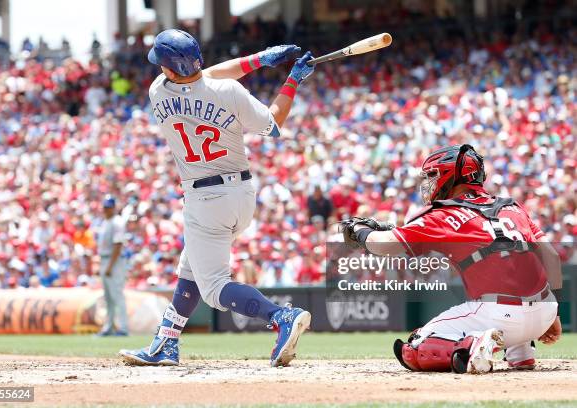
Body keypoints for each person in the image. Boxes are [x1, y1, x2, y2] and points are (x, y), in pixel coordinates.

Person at [119, 29, 314, 367]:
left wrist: (259, 60)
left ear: (168, 67)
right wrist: (292, 79)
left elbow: (197, 80)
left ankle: (281, 315)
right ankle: (165, 343)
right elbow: (274, 123)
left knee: (213, 289)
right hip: (241, 194)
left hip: (204, 197)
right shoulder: (229, 91)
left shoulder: (157, 92)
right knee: (190, 267)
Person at [341, 144, 562, 373]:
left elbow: (386, 245)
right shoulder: (512, 206)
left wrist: (359, 231)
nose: (429, 182)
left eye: (432, 175)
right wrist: (552, 313)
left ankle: (474, 345)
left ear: (451, 175)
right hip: (544, 311)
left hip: (499, 315)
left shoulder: (444, 213)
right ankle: (521, 353)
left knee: (416, 347)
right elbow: (552, 257)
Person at [97, 195, 129, 336]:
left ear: (113, 208)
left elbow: (117, 245)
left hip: (114, 261)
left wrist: (109, 266)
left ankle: (123, 328)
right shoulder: (105, 222)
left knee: (117, 295)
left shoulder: (117, 222)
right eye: (104, 206)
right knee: (108, 297)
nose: (106, 209)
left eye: (108, 207)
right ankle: (108, 327)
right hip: (105, 260)